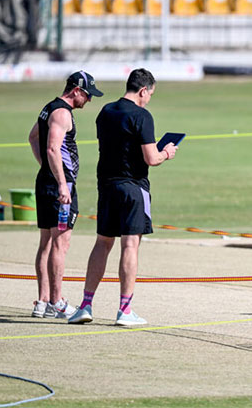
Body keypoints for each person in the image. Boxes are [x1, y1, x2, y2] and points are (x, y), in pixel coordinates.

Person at [68, 68, 177, 326]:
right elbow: (151, 158)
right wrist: (167, 153)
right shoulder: (142, 115)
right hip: (133, 187)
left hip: (106, 185)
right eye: (150, 93)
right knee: (130, 245)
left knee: (102, 243)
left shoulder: (106, 111)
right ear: (142, 91)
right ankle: (124, 310)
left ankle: (85, 305)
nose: (149, 98)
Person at [28, 71, 103, 318]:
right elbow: (51, 147)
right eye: (88, 95)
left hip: (46, 183)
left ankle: (43, 301)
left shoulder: (48, 108)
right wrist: (61, 182)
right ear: (75, 91)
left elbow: (33, 138)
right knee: (61, 243)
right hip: (61, 188)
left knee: (46, 243)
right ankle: (56, 302)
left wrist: (46, 169)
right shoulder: (62, 113)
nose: (89, 100)